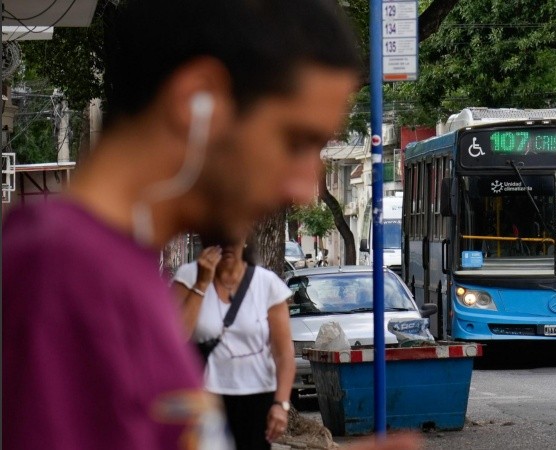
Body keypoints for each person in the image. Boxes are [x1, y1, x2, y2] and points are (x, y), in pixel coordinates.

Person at [2, 1, 363, 449]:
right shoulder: (63, 274)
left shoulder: (116, 270)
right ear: (198, 100)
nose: (303, 189)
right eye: (295, 140)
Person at [172, 239, 294, 450]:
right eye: (219, 238)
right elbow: (173, 337)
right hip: (203, 398)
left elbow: (284, 353)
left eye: (233, 238)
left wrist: (281, 404)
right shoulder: (188, 276)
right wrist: (201, 283)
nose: (227, 246)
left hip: (256, 398)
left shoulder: (267, 283)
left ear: (244, 239)